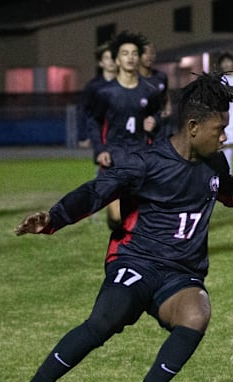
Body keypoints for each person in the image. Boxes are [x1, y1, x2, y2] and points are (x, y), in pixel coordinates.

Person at [3, 71, 233, 382]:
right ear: (193, 127)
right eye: (219, 129)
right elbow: (97, 191)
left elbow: (232, 194)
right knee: (105, 320)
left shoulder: (214, 162)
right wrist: (53, 219)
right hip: (136, 259)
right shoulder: (146, 163)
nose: (224, 137)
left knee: (197, 314)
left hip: (180, 272)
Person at [87, 30, 164, 231]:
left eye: (134, 53)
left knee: (141, 218)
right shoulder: (105, 93)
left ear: (139, 58)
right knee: (117, 220)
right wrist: (100, 150)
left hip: (140, 156)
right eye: (124, 53)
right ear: (117, 60)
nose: (130, 57)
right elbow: (93, 122)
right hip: (114, 157)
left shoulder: (149, 91)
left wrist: (154, 121)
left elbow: (158, 114)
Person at [76, 42, 117, 149]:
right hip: (100, 134)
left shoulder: (128, 84)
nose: (111, 61)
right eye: (107, 58)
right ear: (101, 63)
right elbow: (83, 111)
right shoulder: (93, 86)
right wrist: (83, 136)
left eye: (113, 57)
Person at [139, 41, 173, 139]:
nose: (149, 56)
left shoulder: (161, 76)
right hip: (142, 124)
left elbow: (165, 94)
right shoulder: (134, 79)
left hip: (160, 122)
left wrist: (168, 108)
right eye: (145, 53)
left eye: (152, 53)